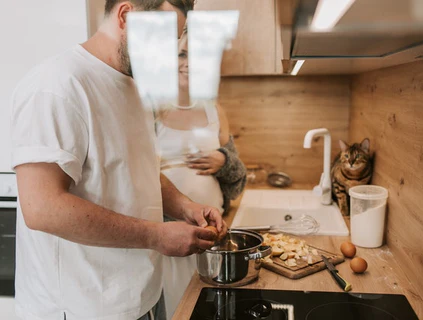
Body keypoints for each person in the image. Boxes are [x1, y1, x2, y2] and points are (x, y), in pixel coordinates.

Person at [10, 1, 226, 320]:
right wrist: (156, 235)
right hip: (79, 308)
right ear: (126, 16)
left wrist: (184, 206)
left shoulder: (135, 87)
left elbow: (137, 169)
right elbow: (42, 208)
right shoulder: (57, 85)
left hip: (138, 298)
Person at [154, 30, 247, 319]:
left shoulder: (214, 109)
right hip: (168, 237)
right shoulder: (149, 108)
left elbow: (237, 180)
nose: (189, 62)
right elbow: (137, 175)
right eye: (181, 54)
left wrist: (224, 160)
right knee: (177, 310)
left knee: (212, 310)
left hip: (212, 234)